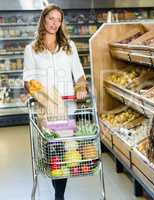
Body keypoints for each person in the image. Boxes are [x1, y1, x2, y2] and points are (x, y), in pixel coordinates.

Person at [23, 4, 87, 200]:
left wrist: (81, 88)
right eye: (51, 18)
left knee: (64, 151)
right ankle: (59, 193)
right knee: (53, 151)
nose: (54, 23)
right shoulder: (31, 49)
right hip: (46, 110)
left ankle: (59, 195)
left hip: (68, 108)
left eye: (58, 20)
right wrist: (45, 96)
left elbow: (80, 75)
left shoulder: (69, 47)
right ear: (43, 19)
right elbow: (28, 82)